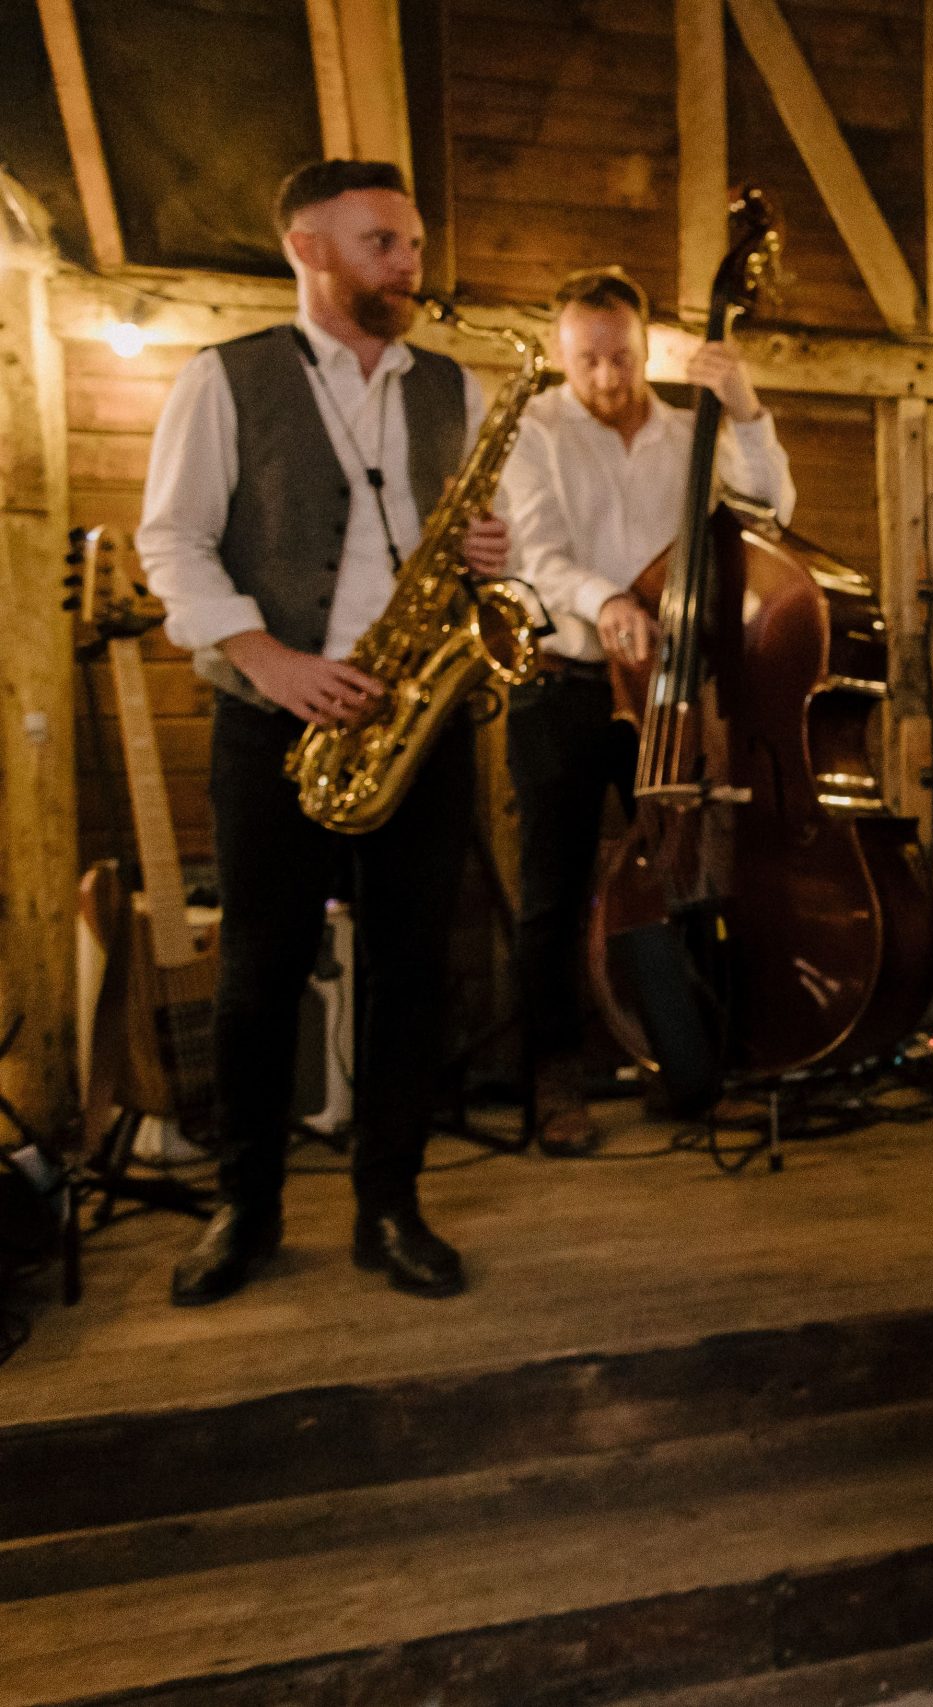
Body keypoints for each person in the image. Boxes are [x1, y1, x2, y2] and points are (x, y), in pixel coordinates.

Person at [137, 159, 510, 1304]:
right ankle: (246, 1210)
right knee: (258, 977)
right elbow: (173, 543)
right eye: (382, 242)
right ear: (307, 247)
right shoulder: (223, 378)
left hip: (419, 715)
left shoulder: (456, 389)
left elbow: (486, 543)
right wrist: (268, 659)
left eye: (409, 242)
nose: (409, 263)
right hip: (273, 721)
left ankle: (388, 1205)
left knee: (410, 975)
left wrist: (494, 559)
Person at [494, 266, 796, 1154]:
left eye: (621, 357)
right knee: (551, 891)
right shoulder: (534, 431)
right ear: (562, 354)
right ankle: (555, 1080)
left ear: (644, 346)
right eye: (587, 361)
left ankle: (693, 1070)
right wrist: (606, 602)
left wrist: (745, 408)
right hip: (562, 681)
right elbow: (539, 555)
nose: (606, 377)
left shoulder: (683, 433)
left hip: (665, 690)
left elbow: (770, 509)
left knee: (681, 877)